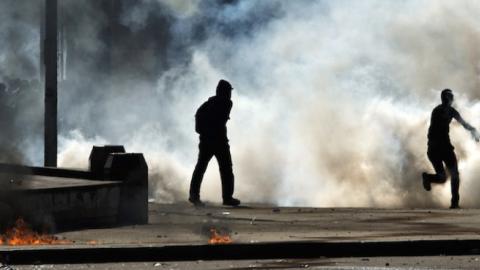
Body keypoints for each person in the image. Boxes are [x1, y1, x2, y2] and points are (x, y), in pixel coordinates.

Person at [423, 89, 479, 209]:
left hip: (439, 148)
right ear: (446, 98)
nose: (451, 100)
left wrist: (473, 130)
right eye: (449, 97)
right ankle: (453, 202)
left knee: (448, 176)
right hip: (438, 148)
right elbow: (438, 125)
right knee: (449, 176)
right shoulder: (439, 111)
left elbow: (463, 123)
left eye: (451, 97)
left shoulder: (449, 111)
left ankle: (453, 201)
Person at [189, 79, 241, 207]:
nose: (230, 94)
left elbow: (199, 119)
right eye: (228, 91)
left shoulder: (208, 104)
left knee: (201, 167)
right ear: (224, 92)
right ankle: (227, 197)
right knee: (226, 169)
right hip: (219, 141)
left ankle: (194, 195)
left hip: (207, 140)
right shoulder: (227, 103)